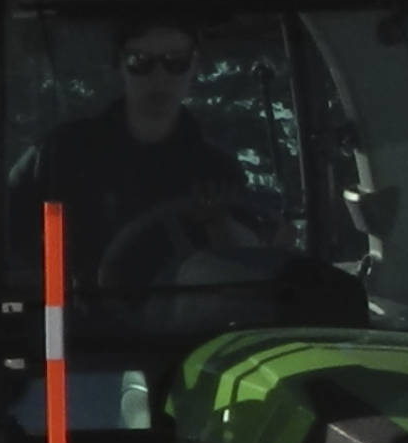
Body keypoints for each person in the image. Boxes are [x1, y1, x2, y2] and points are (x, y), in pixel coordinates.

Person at [17, 19, 277, 296]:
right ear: (119, 65)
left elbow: (247, 267)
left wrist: (218, 222)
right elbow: (10, 245)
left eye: (175, 62)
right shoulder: (61, 154)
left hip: (196, 327)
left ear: (194, 66)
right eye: (140, 62)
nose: (159, 77)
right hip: (79, 327)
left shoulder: (217, 170)